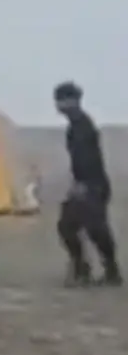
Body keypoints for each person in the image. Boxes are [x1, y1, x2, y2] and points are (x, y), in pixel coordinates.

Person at [53, 81, 121, 286]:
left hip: (92, 185)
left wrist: (83, 185)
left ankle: (106, 271)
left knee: (94, 229)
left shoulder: (83, 126)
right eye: (58, 100)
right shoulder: (75, 126)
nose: (59, 105)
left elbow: (88, 158)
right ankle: (86, 268)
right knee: (69, 226)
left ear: (73, 101)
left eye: (62, 100)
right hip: (86, 183)